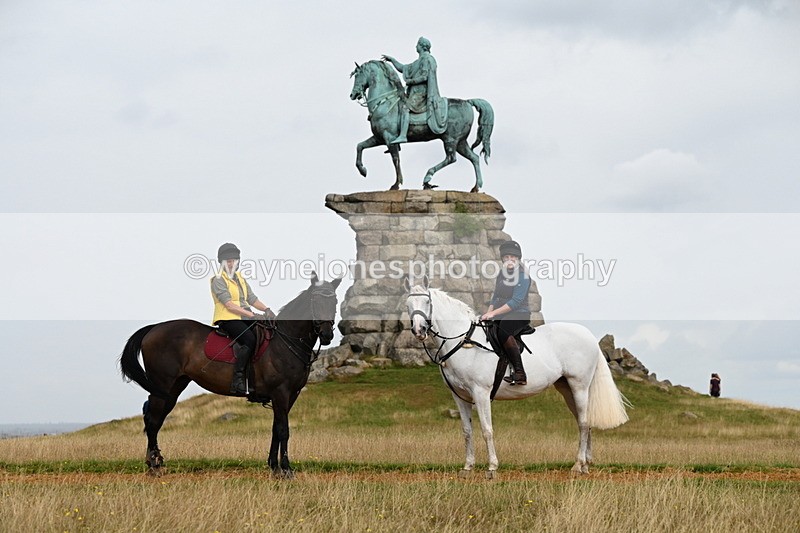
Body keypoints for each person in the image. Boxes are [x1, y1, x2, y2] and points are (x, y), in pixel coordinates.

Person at [210, 243, 272, 394]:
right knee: (249, 339)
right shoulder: (218, 279)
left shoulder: (240, 278)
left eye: (233, 260)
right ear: (222, 263)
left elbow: (251, 299)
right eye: (228, 261)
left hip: (244, 316)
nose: (231, 264)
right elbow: (229, 305)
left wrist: (267, 310)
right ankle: (237, 380)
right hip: (228, 318)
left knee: (266, 333)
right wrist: (252, 315)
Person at [481, 240, 532, 385]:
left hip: (520, 314)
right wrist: (488, 313)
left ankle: (520, 373)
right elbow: (496, 296)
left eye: (513, 257)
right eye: (507, 257)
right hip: (501, 313)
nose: (510, 260)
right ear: (503, 259)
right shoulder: (502, 274)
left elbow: (515, 302)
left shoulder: (523, 276)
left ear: (518, 259)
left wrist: (493, 314)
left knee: (503, 330)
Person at [382, 36, 448, 143]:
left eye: (417, 44)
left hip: (422, 93)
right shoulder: (418, 61)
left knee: (405, 108)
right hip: (414, 92)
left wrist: (411, 82)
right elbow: (403, 68)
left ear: (422, 46)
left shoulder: (427, 59)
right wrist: (392, 60)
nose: (415, 46)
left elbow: (425, 76)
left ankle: (403, 135)